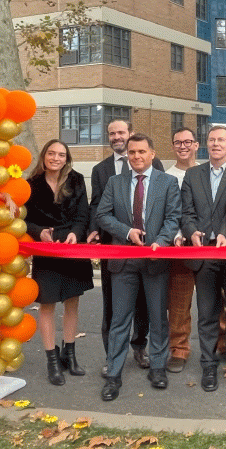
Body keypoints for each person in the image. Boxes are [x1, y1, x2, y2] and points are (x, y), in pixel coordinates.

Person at [96, 133, 181, 401]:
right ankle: (114, 374)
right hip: (124, 261)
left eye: (142, 152)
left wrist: (161, 241)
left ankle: (158, 367)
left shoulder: (168, 183)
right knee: (120, 320)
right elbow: (102, 215)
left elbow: (173, 217)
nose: (137, 157)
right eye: (132, 152)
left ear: (152, 154)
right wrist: (126, 231)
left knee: (157, 317)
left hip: (155, 259)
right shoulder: (114, 182)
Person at [87, 119, 163, 376]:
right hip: (114, 250)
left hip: (147, 250)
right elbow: (97, 207)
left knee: (143, 305)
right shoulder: (101, 170)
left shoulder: (153, 163)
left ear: (130, 134)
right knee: (114, 307)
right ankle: (112, 356)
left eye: (121, 132)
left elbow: (159, 201)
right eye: (112, 133)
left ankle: (139, 346)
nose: (117, 137)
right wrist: (93, 231)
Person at [24, 139, 93, 386]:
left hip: (73, 246)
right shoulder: (30, 185)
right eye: (51, 153)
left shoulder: (76, 179)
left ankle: (69, 355)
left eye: (61, 154)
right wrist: (38, 232)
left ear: (67, 158)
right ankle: (52, 360)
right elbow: (24, 219)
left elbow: (84, 213)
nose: (56, 158)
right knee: (48, 304)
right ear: (43, 156)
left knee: (72, 302)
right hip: (46, 248)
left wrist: (77, 231)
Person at [180, 125, 226, 392]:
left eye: (221, 140)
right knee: (207, 312)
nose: (216, 144)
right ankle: (208, 363)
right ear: (206, 145)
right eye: (211, 140)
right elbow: (186, 212)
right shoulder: (192, 175)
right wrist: (191, 231)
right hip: (203, 254)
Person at [163, 127, 199, 374]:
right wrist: (176, 236)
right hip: (179, 249)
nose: (183, 146)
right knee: (178, 303)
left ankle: (221, 346)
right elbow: (168, 214)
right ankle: (178, 348)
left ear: (196, 145)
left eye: (188, 142)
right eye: (178, 142)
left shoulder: (206, 172)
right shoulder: (166, 177)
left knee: (217, 302)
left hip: (206, 247)